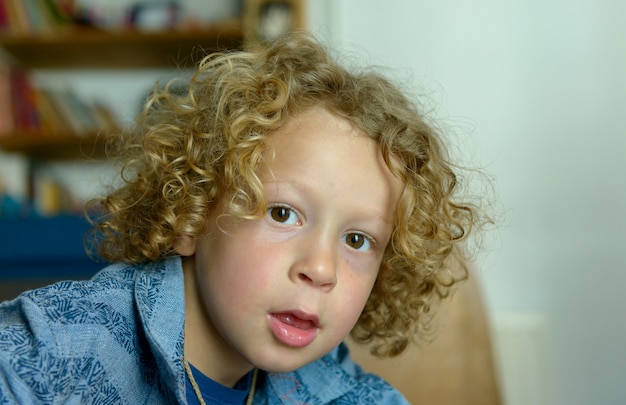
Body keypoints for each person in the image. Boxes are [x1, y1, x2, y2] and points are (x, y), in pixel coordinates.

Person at [0, 32, 482, 404]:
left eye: (356, 240)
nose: (321, 268)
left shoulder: (330, 383)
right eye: (283, 213)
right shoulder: (52, 350)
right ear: (192, 215)